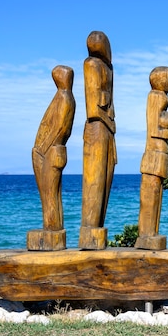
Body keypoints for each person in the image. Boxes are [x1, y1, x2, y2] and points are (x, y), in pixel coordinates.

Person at [27, 65, 75, 251]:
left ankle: (52, 226)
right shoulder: (63, 96)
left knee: (50, 192)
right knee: (50, 193)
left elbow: (61, 128)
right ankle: (52, 225)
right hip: (52, 150)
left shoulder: (64, 98)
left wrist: (42, 148)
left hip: (52, 151)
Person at [79, 31, 116, 250]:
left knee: (106, 177)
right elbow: (93, 109)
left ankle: (97, 228)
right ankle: (89, 231)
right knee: (95, 180)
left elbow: (109, 103)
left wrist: (111, 124)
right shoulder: (91, 65)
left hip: (107, 130)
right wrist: (109, 122)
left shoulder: (109, 68)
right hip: (97, 129)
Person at [136, 66, 168, 250]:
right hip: (154, 151)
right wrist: (166, 125)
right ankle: (146, 233)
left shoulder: (162, 98)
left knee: (157, 192)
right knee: (152, 191)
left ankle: (151, 232)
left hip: (159, 152)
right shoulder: (157, 97)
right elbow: (154, 129)